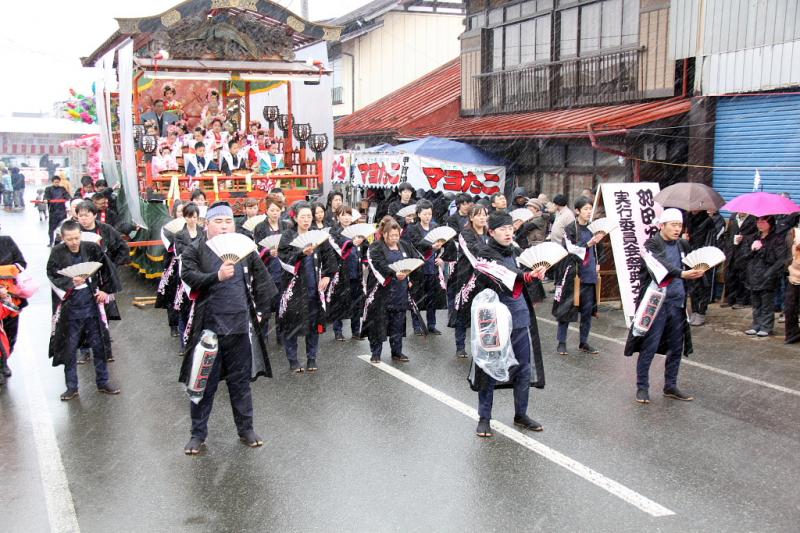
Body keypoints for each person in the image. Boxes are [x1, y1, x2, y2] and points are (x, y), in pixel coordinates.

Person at [179, 202, 276, 455]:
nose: (224, 226)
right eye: (218, 222)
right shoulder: (195, 249)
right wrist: (216, 277)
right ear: (206, 224)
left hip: (239, 327)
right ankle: (197, 434)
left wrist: (261, 312)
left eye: (228, 222)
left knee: (240, 382)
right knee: (203, 385)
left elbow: (264, 282)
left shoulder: (244, 247)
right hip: (208, 329)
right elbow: (189, 277)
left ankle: (246, 429)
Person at [471, 211, 548, 437]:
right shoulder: (484, 252)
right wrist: (524, 277)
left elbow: (524, 271)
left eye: (509, 228)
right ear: (491, 232)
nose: (507, 233)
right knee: (489, 367)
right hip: (494, 319)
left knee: (523, 368)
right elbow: (502, 273)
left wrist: (536, 273)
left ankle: (521, 413)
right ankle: (484, 417)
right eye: (502, 229)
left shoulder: (515, 250)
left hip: (519, 314)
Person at [624, 209, 704, 404]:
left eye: (680, 225)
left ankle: (670, 385)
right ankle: (642, 387)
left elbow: (691, 264)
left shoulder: (682, 244)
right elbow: (661, 265)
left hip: (677, 303)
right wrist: (682, 274)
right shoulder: (651, 244)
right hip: (656, 303)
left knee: (676, 347)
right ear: (662, 225)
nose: (677, 229)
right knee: (649, 347)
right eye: (673, 225)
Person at [46, 220, 122, 401]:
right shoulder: (57, 252)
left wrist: (105, 290)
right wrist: (69, 283)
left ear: (81, 235)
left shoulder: (90, 248)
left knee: (99, 346)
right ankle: (71, 386)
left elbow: (107, 268)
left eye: (76, 238)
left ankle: (103, 381)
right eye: (70, 239)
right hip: (70, 307)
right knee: (69, 349)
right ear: (62, 238)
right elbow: (51, 274)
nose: (74, 242)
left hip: (91, 303)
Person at [277, 202, 337, 372]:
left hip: (314, 287)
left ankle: (312, 358)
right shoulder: (288, 236)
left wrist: (327, 275)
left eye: (309, 216)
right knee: (292, 325)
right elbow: (283, 258)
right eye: (302, 216)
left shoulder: (318, 235)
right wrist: (300, 254)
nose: (306, 220)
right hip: (294, 288)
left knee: (313, 325)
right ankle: (293, 360)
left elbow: (330, 257)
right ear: (295, 217)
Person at [363, 216, 423, 363]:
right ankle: (376, 352)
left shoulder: (404, 245)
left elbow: (417, 260)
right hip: (381, 290)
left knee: (398, 321)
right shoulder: (375, 247)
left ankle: (397, 351)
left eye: (397, 235)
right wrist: (393, 274)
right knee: (378, 322)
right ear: (384, 234)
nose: (395, 238)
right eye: (392, 235)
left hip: (400, 290)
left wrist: (410, 277)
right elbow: (378, 265)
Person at [552, 196, 601, 356]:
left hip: (589, 274)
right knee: (566, 309)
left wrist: (598, 263)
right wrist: (588, 244)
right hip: (573, 274)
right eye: (585, 209)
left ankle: (584, 341)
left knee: (587, 312)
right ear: (577, 211)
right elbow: (570, 249)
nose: (588, 212)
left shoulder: (593, 229)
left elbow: (597, 252)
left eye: (590, 209)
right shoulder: (570, 229)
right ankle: (561, 342)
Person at [449, 204, 491, 358]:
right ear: (471, 217)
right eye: (478, 215)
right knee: (463, 311)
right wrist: (488, 259)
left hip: (486, 279)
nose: (482, 217)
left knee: (485, 313)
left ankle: (483, 345)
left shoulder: (490, 234)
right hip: (468, 277)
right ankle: (460, 345)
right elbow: (473, 252)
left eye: (484, 214)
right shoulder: (465, 234)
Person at [404, 199, 447, 335]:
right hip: (419, 268)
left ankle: (432, 324)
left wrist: (441, 257)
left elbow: (444, 246)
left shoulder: (435, 227)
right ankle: (416, 325)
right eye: (425, 214)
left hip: (433, 268)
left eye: (429, 213)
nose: (428, 216)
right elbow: (417, 242)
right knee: (417, 297)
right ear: (418, 214)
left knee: (432, 298)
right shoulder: (413, 228)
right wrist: (430, 246)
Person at [327, 205, 367, 341]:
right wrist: (351, 242)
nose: (346, 218)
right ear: (337, 216)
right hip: (341, 271)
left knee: (356, 301)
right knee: (339, 301)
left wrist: (365, 261)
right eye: (343, 215)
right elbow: (338, 248)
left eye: (349, 215)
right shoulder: (333, 231)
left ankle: (356, 330)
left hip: (356, 270)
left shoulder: (356, 230)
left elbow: (366, 247)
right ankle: (338, 331)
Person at [743, 216, 788, 337]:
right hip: (753, 274)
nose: (759, 224)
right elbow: (745, 256)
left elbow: (780, 259)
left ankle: (766, 327)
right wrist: (753, 249)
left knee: (767, 303)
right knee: (756, 302)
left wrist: (763, 250)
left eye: (763, 221)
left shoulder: (777, 239)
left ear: (770, 223)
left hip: (768, 275)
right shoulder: (753, 237)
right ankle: (756, 324)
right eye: (758, 221)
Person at [253, 198, 284, 344]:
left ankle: (280, 335)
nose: (275, 213)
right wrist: (267, 252)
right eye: (272, 210)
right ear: (266, 211)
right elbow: (257, 249)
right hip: (266, 271)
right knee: (264, 307)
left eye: (277, 210)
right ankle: (263, 337)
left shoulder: (285, 226)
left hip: (282, 270)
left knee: (281, 306)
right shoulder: (260, 227)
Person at [0, 234, 27, 380]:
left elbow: (22, 263)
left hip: (11, 298)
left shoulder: (7, 241)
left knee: (11, 332)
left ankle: (4, 359)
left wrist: (7, 271)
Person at [722, 212, 757, 308]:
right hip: (732, 250)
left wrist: (744, 238)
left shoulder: (753, 218)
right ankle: (730, 299)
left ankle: (741, 301)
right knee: (730, 274)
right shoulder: (733, 217)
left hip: (745, 251)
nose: (741, 211)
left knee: (742, 276)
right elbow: (728, 232)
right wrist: (727, 245)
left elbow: (756, 235)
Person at [784, 227, 800, 344]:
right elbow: (788, 255)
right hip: (794, 276)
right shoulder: (794, 232)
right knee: (790, 307)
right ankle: (792, 333)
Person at [44, 175, 70, 246]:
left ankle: (62, 241)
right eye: (55, 182)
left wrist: (68, 199)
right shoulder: (48, 189)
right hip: (53, 211)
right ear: (52, 182)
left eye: (58, 182)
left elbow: (67, 195)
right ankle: (51, 241)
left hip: (62, 210)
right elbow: (46, 196)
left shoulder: (62, 189)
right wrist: (46, 200)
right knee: (51, 228)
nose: (57, 184)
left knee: (63, 227)